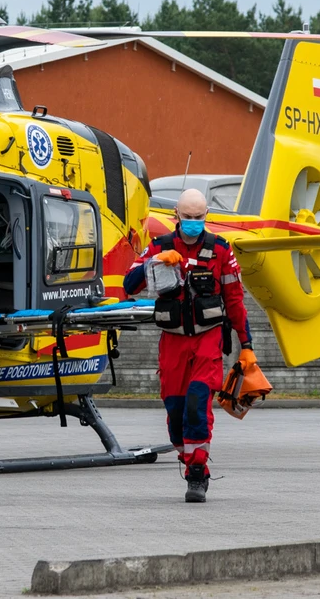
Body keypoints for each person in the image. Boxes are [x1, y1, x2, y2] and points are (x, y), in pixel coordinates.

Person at [123, 188, 255, 503]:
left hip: (208, 339)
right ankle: (186, 457)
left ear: (206, 216)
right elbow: (129, 284)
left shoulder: (221, 250)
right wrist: (154, 261)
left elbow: (235, 301)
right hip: (173, 342)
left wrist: (246, 344)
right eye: (188, 217)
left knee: (197, 403)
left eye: (199, 218)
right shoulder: (160, 246)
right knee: (175, 410)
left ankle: (197, 473)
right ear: (177, 216)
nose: (193, 223)